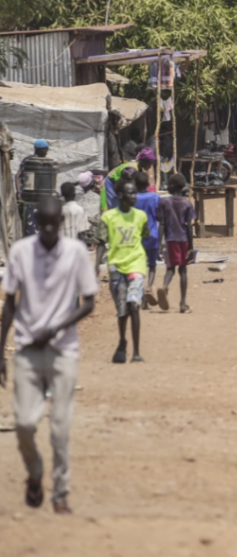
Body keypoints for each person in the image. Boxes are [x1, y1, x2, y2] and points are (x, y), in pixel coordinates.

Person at [0, 195, 98, 515]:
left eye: (53, 226)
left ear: (59, 224)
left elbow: (88, 302)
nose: (48, 231)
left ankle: (61, 492)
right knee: (25, 423)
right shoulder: (20, 253)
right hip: (28, 350)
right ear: (36, 223)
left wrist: (55, 328)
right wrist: (1, 350)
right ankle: (35, 471)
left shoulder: (76, 254)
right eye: (42, 225)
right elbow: (10, 303)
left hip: (63, 351)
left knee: (59, 427)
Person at [96, 180, 150, 364]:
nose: (134, 196)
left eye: (135, 193)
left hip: (136, 264)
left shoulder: (141, 216)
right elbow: (102, 242)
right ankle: (122, 341)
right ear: (120, 195)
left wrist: (150, 263)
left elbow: (144, 238)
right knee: (122, 310)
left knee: (133, 305)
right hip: (116, 267)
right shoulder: (108, 218)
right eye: (130, 193)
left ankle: (136, 352)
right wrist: (96, 264)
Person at [157, 174, 196, 314]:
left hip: (170, 240)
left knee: (170, 268)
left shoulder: (164, 202)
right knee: (183, 270)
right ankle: (183, 303)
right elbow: (190, 226)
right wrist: (191, 247)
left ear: (172, 186)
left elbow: (161, 224)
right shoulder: (187, 204)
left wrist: (158, 244)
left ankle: (165, 285)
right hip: (184, 240)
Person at [132, 172, 161, 308]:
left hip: (137, 237)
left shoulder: (133, 198)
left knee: (140, 266)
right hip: (153, 235)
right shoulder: (155, 197)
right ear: (148, 185)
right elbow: (160, 217)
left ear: (135, 185)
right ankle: (150, 286)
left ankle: (142, 295)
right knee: (152, 265)